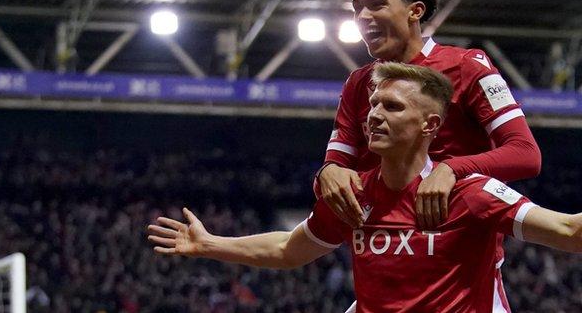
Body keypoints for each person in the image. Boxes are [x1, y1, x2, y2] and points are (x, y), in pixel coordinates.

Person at [148, 63, 582, 312]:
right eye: (373, 104)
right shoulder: (353, 195)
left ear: (430, 125)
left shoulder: (471, 192)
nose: (374, 115)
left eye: (392, 106)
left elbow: (569, 232)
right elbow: (288, 250)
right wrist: (209, 244)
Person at [317, 0, 541, 231]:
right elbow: (336, 168)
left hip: (459, 257)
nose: (362, 16)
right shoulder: (358, 83)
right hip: (382, 254)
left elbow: (526, 154)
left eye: (377, 5)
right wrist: (326, 174)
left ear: (415, 11)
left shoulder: (467, 67)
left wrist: (450, 168)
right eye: (357, 8)